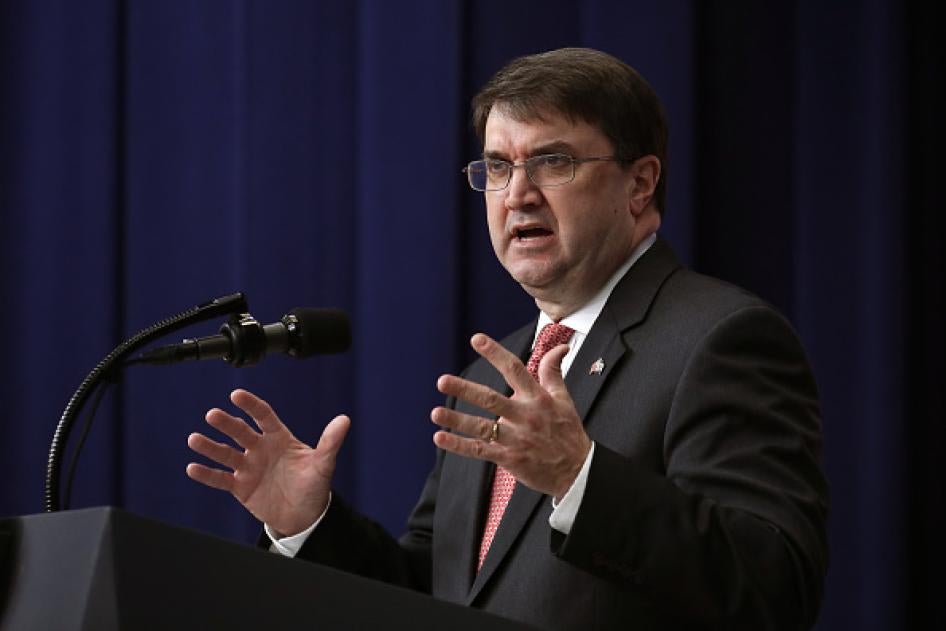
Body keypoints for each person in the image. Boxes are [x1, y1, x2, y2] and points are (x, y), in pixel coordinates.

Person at [185, 48, 828, 630]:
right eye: (498, 166)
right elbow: (431, 596)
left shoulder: (720, 339)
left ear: (640, 183)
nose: (517, 194)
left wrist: (580, 478)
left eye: (553, 162)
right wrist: (310, 525)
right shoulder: (495, 375)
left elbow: (773, 585)